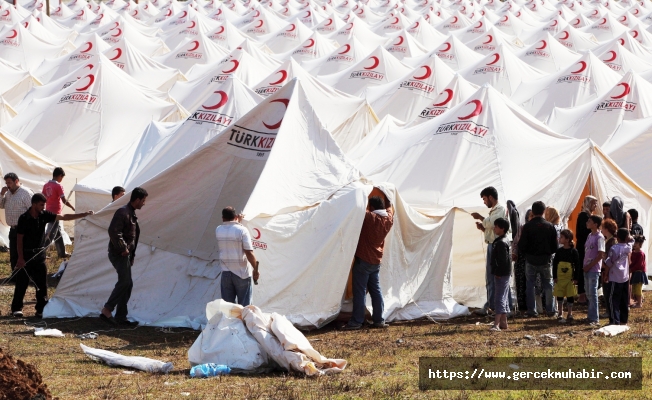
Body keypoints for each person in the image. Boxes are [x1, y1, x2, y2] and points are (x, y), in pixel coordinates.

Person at [12, 193, 93, 318]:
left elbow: (64, 216)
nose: (43, 207)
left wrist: (83, 214)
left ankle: (41, 309)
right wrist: (20, 258)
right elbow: (19, 239)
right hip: (27, 255)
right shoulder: (24, 218)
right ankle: (17, 308)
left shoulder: (44, 215)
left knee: (42, 284)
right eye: (41, 205)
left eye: (44, 205)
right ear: (34, 204)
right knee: (22, 282)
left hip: (39, 255)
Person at [344, 196, 394, 330]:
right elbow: (390, 209)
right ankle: (379, 320)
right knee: (376, 291)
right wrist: (388, 198)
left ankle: (356, 322)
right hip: (376, 261)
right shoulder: (389, 219)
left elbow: (358, 208)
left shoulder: (369, 218)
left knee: (359, 292)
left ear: (371, 208)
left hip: (363, 261)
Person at [100, 187, 148, 326]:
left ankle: (121, 317)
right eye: (143, 200)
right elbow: (113, 231)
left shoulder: (130, 213)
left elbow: (132, 238)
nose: (144, 203)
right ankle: (107, 311)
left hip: (124, 255)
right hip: (118, 254)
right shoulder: (123, 212)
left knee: (127, 283)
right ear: (137, 199)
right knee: (125, 282)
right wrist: (123, 249)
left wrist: (131, 255)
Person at [471, 187, 510, 316]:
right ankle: (493, 306)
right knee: (492, 277)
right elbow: (492, 228)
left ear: (491, 198)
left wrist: (481, 218)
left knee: (499, 276)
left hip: (497, 246)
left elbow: (492, 223)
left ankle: (501, 308)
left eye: (484, 199)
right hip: (493, 245)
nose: (484, 202)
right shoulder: (495, 211)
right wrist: (483, 229)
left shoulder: (500, 209)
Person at [518, 201, 558, 317]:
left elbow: (521, 245)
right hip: (546, 259)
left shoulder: (527, 227)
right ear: (543, 211)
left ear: (533, 211)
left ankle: (532, 310)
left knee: (530, 285)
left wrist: (527, 254)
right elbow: (555, 246)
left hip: (530, 260)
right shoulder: (549, 226)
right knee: (548, 286)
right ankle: (550, 310)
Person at [215, 206, 259, 307]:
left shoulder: (218, 230)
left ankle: (229, 323)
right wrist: (256, 269)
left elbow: (229, 227)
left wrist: (237, 221)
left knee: (228, 308)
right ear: (235, 216)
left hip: (226, 273)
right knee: (245, 308)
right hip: (241, 273)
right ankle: (243, 323)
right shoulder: (242, 230)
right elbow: (249, 252)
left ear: (223, 218)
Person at [0, 173, 34, 272]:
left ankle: (27, 275)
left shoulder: (26, 193)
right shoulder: (8, 193)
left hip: (24, 229)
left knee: (24, 253)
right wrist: (1, 194)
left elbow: (33, 210)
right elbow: (1, 205)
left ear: (16, 181)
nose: (8, 185)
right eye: (6, 183)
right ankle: (15, 275)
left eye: (9, 182)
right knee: (14, 253)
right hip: (13, 229)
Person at [42, 167, 74, 259]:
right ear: (60, 176)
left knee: (58, 233)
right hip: (56, 213)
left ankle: (62, 253)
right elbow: (64, 200)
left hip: (48, 211)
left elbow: (43, 198)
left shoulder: (46, 185)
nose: (61, 180)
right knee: (51, 234)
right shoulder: (58, 186)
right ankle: (41, 253)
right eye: (62, 178)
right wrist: (72, 207)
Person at [603, 228, 634, 326]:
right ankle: (623, 320)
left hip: (614, 277)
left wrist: (606, 274)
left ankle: (614, 321)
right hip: (625, 277)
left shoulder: (614, 248)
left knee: (613, 300)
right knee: (624, 299)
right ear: (626, 237)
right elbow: (632, 240)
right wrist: (628, 237)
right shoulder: (628, 247)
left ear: (617, 237)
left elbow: (609, 263)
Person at [553, 230, 579, 323]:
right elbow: (555, 264)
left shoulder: (574, 251)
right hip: (560, 278)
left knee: (570, 295)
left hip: (570, 278)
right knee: (559, 295)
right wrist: (555, 276)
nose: (560, 239)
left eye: (562, 237)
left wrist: (576, 278)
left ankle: (570, 313)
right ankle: (560, 312)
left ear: (567, 239)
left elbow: (577, 265)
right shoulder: (559, 251)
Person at [576, 196, 598, 305]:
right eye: (594, 203)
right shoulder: (583, 216)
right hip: (584, 247)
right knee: (583, 269)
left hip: (589, 246)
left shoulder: (589, 215)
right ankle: (582, 295)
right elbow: (583, 232)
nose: (595, 206)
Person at [490, 218, 511, 332]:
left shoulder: (501, 243)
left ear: (502, 229)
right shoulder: (504, 240)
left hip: (502, 273)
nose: (494, 228)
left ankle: (496, 324)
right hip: (505, 273)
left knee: (499, 298)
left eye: (496, 226)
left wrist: (498, 272)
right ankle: (504, 322)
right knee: (503, 297)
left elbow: (503, 260)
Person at [584, 215, 605, 326]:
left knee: (592, 293)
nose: (587, 222)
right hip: (587, 268)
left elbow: (601, 254)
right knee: (588, 293)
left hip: (594, 269)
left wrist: (590, 265)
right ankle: (590, 315)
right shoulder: (589, 235)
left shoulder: (599, 237)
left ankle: (594, 318)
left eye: (589, 221)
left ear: (595, 224)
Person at [512, 209, 531, 312]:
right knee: (521, 281)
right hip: (521, 259)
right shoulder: (522, 228)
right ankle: (522, 304)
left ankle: (531, 305)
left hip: (531, 258)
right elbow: (515, 242)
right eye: (530, 216)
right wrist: (514, 253)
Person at [630, 235, 647, 308]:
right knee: (634, 288)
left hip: (639, 273)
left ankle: (639, 303)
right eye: (634, 242)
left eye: (636, 243)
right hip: (634, 272)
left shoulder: (641, 254)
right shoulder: (632, 252)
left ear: (640, 244)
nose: (634, 244)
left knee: (638, 288)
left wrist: (630, 269)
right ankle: (638, 301)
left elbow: (639, 265)